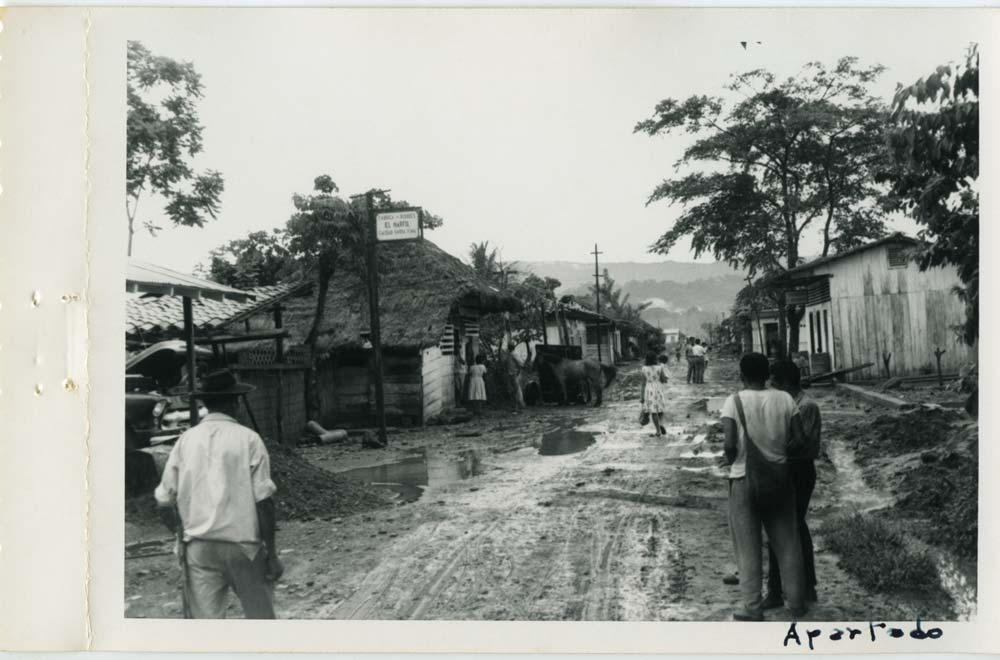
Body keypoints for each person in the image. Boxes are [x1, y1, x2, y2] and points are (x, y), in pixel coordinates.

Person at [154, 369, 282, 619]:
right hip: (243, 546)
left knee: (206, 627)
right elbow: (264, 502)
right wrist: (272, 552)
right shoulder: (249, 439)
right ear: (235, 403)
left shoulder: (185, 441)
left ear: (207, 403)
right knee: (261, 619)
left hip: (199, 548)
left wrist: (180, 536)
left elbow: (164, 500)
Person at [720, 353, 808, 621]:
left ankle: (752, 606)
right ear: (767, 374)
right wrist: (779, 453)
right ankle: (796, 604)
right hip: (780, 478)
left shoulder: (733, 401)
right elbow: (800, 439)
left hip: (743, 480)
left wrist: (732, 460)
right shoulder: (785, 399)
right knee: (788, 544)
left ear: (742, 375)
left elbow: (729, 444)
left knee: (747, 547)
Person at [764, 360, 822, 607]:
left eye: (774, 383)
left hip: (798, 470)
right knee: (789, 527)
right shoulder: (787, 404)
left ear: (785, 383)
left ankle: (786, 589)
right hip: (785, 469)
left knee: (790, 527)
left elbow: (800, 444)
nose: (771, 387)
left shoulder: (806, 406)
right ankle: (790, 588)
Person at [640, 352, 667, 437]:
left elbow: (643, 383)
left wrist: (642, 396)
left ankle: (658, 430)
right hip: (658, 389)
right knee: (660, 408)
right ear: (655, 359)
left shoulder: (644, 369)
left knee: (653, 411)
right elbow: (663, 380)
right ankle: (661, 423)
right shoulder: (659, 368)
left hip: (649, 390)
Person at [501, 343, 526, 413]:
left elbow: (520, 364)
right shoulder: (509, 355)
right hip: (511, 374)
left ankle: (518, 407)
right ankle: (516, 407)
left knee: (516, 391)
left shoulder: (514, 354)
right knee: (513, 391)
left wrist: (518, 371)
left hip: (514, 374)